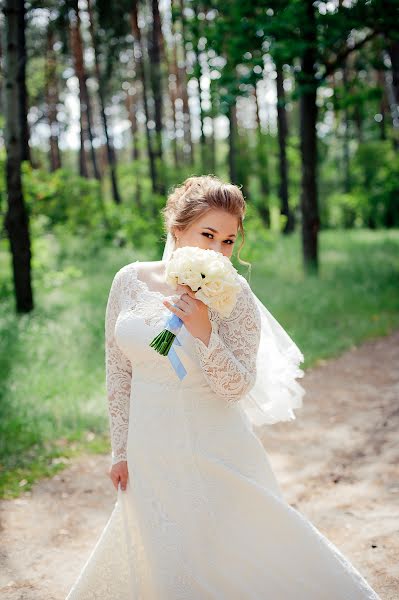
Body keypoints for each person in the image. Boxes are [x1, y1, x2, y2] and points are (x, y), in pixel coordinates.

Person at [65, 175, 381, 599]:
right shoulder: (128, 281)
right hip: (150, 446)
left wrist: (203, 331)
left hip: (213, 444)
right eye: (207, 235)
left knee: (238, 550)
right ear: (178, 230)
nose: (217, 251)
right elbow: (118, 371)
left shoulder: (235, 295)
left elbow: (237, 388)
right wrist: (120, 450)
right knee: (164, 551)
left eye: (228, 241)